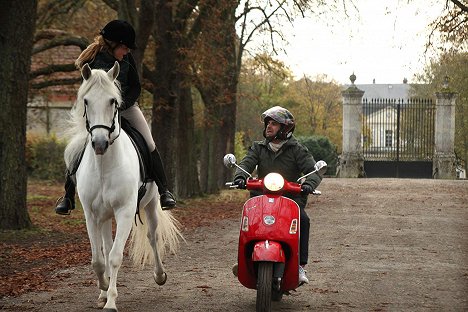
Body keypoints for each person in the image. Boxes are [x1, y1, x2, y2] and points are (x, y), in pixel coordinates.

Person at [55, 20, 176, 215]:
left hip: (126, 106)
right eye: (124, 47)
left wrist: (121, 104)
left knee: (150, 143)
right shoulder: (92, 60)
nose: (127, 52)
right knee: (78, 145)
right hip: (98, 112)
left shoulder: (127, 60)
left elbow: (135, 86)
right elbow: (87, 89)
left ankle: (164, 191)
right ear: (113, 44)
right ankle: (68, 196)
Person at [232, 106, 323, 285]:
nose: (269, 127)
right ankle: (244, 259)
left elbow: (314, 171)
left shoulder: (297, 149)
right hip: (261, 197)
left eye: (274, 124)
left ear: (285, 129)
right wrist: (240, 177)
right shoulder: (258, 148)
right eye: (268, 123)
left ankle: (300, 266)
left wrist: (309, 184)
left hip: (291, 199)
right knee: (249, 220)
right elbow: (246, 162)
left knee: (303, 219)